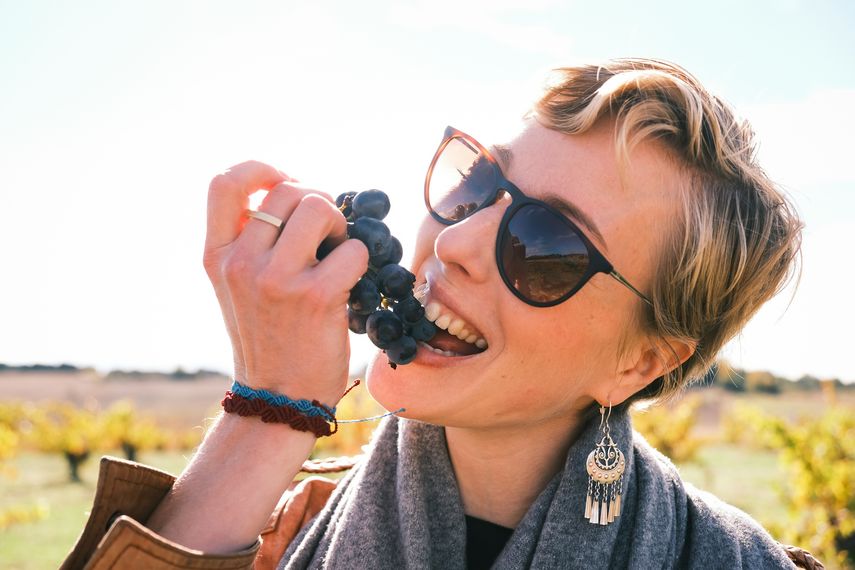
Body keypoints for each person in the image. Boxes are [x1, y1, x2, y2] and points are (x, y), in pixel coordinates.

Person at [61, 58, 818, 569]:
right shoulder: (265, 531)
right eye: (477, 185)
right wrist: (266, 413)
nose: (453, 240)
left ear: (641, 362)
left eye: (547, 246)